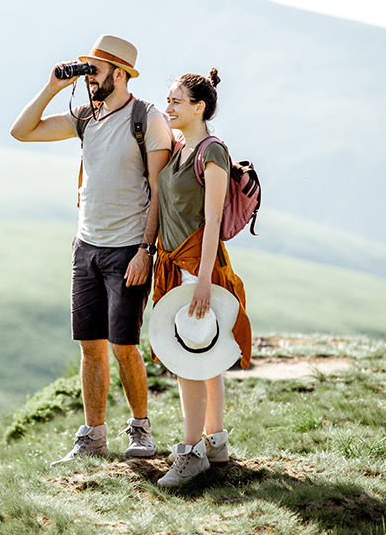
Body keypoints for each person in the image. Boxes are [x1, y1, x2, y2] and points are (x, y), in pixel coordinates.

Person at [10, 35, 172, 464]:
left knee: (123, 345)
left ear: (120, 75)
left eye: (95, 70)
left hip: (127, 250)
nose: (88, 78)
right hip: (86, 248)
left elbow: (159, 192)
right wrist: (52, 87)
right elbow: (21, 132)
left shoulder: (147, 119)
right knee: (90, 346)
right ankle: (94, 437)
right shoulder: (86, 116)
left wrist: (145, 250)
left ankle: (140, 429)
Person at [151, 69, 252, 488]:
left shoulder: (211, 153)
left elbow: (212, 221)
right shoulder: (179, 146)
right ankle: (215, 442)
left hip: (197, 267)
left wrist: (206, 280)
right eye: (169, 99)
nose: (169, 106)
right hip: (177, 264)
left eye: (176, 101)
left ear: (199, 107)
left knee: (188, 359)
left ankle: (191, 452)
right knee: (202, 354)